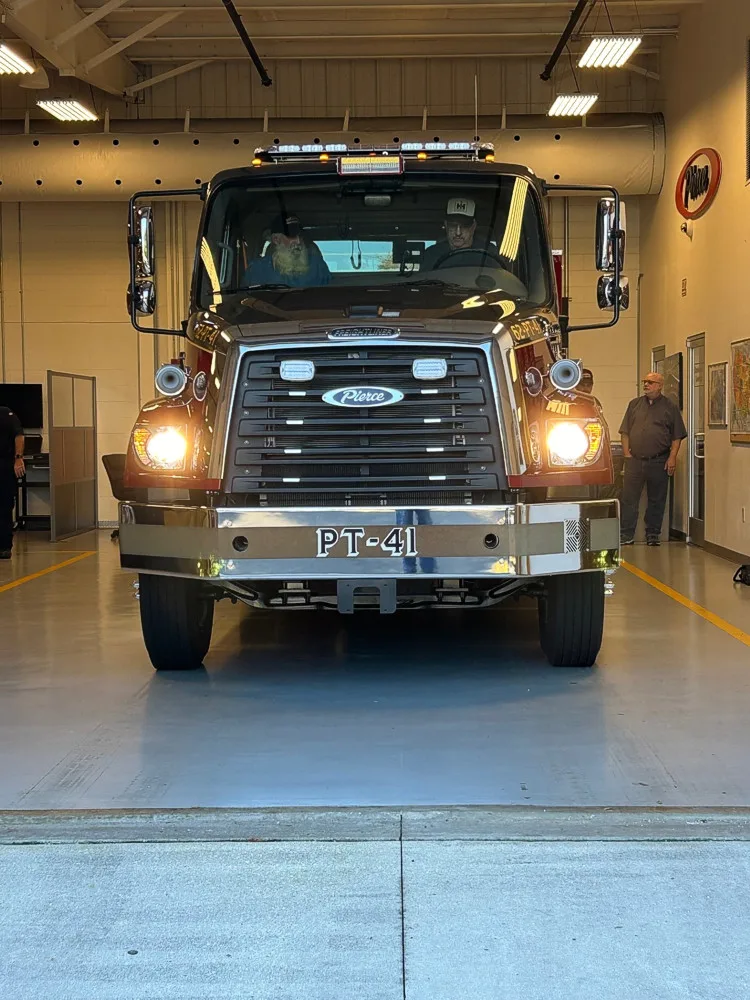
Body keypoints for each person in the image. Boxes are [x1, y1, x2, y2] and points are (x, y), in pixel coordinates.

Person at [619, 372, 687, 546]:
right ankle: (626, 534)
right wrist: (626, 454)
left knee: (657, 499)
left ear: (659, 385)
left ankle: (653, 534)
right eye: (645, 382)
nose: (646, 385)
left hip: (658, 460)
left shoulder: (669, 407)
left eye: (650, 382)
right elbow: (625, 431)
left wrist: (672, 457)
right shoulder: (634, 405)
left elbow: (676, 436)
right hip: (634, 459)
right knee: (629, 499)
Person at [243, 213, 330, 288]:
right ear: (276, 239)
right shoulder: (257, 269)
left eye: (300, 236)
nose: (298, 241)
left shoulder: (317, 265)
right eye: (292, 236)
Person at [422, 197, 487, 270]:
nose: (458, 233)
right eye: (452, 225)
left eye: (464, 225)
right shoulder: (432, 254)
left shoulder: (487, 254)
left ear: (473, 226)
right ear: (446, 225)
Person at [0, 405, 24, 560]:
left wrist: (18, 458)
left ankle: (4, 547)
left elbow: (19, 435)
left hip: (4, 464)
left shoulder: (5, 413)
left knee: (4, 505)